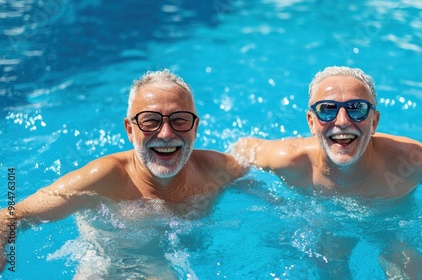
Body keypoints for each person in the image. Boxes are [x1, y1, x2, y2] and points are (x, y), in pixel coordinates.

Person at [231, 66, 422, 278]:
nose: (343, 122)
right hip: (329, 226)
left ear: (375, 121)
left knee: (418, 273)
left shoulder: (409, 159)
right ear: (311, 122)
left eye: (357, 109)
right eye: (327, 110)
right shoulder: (288, 160)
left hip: (391, 229)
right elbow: (239, 151)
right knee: (330, 264)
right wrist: (267, 197)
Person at [0, 69, 245, 276]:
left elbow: (269, 194)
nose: (167, 133)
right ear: (130, 129)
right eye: (150, 120)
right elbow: (14, 215)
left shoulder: (220, 170)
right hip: (105, 261)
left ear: (195, 127)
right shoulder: (102, 179)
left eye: (180, 119)